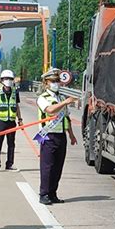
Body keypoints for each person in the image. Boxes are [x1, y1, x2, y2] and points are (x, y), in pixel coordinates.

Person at [35, 68, 77, 205]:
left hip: (60, 135)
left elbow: (66, 117)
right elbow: (50, 110)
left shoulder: (60, 97)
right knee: (47, 166)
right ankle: (44, 194)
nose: (56, 83)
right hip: (48, 136)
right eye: (53, 81)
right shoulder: (43, 98)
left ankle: (53, 193)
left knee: (58, 166)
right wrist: (65, 103)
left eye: (58, 81)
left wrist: (71, 135)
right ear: (46, 83)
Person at [0, 69, 23, 172]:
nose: (8, 80)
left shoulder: (15, 92)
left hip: (11, 121)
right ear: (2, 80)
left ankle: (9, 164)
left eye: (10, 79)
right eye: (6, 78)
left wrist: (20, 119)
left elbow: (16, 106)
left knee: (11, 144)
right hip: (1, 121)